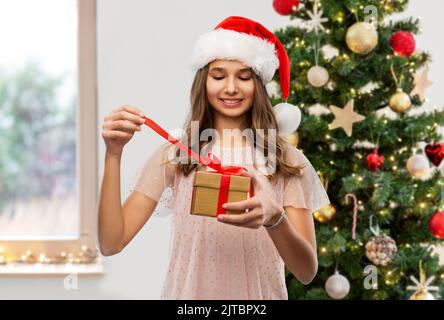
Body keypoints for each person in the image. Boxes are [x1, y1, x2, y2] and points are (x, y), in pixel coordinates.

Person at [98, 16, 330, 299]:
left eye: (244, 77)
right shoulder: (177, 155)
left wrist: (275, 219)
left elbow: (306, 271)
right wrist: (113, 154)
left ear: (258, 85)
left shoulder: (286, 162)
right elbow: (111, 243)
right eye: (219, 76)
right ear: (203, 83)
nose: (231, 87)